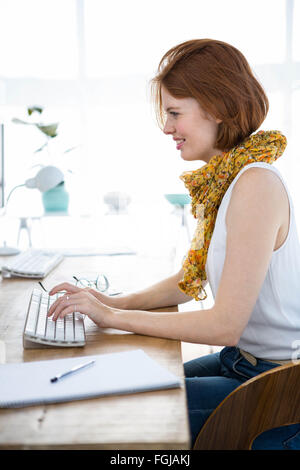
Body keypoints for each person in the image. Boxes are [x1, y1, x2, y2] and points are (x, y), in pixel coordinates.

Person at [47, 39, 300, 450]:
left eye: (174, 113)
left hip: (278, 388)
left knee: (124, 412)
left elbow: (224, 324)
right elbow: (188, 281)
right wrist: (111, 300)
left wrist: (110, 317)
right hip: (241, 363)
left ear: (216, 108)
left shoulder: (256, 184)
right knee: (123, 380)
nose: (167, 128)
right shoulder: (228, 180)